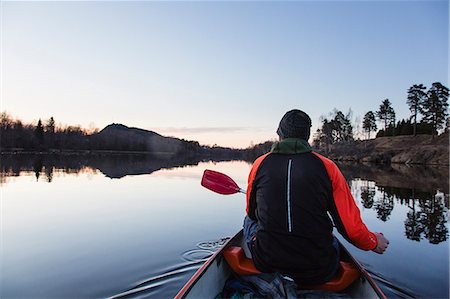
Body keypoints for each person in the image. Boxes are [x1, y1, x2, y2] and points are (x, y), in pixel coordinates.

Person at [243, 109, 389, 286]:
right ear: (307, 135)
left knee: (248, 220)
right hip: (318, 268)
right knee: (330, 235)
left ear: (279, 133)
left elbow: (251, 213)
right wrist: (373, 242)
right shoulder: (328, 167)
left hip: (266, 261)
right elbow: (352, 231)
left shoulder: (260, 164)